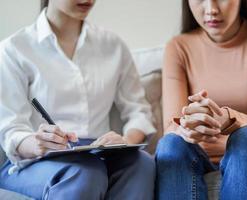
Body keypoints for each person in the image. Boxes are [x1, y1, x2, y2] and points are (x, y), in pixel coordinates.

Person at [0, 0, 156, 199]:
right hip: (34, 162)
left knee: (141, 163)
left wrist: (124, 141)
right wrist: (38, 143)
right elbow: (11, 131)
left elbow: (139, 112)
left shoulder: (113, 46)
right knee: (85, 172)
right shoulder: (14, 49)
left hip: (99, 154)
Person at [156, 0, 247, 199]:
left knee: (245, 137)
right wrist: (189, 127)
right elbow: (171, 127)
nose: (211, 10)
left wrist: (230, 120)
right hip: (201, 157)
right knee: (170, 143)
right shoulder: (178, 47)